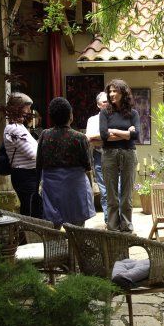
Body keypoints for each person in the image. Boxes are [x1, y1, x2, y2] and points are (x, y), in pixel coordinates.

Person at [37, 97, 95, 228]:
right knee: (77, 229)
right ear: (70, 116)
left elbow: (39, 163)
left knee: (53, 227)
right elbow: (87, 165)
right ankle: (75, 248)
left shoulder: (44, 135)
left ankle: (55, 249)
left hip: (51, 188)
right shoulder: (79, 137)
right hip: (75, 187)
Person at [99, 79, 140, 232]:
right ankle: (112, 226)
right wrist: (125, 133)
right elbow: (104, 135)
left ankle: (126, 225)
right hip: (109, 154)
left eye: (115, 91)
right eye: (110, 91)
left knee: (127, 194)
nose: (111, 94)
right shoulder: (105, 112)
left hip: (129, 153)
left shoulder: (133, 113)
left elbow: (136, 134)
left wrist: (114, 131)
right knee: (111, 194)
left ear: (123, 93)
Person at [3, 92, 41, 218]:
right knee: (29, 211)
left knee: (34, 209)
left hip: (30, 174)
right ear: (18, 108)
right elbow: (32, 153)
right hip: (23, 175)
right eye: (27, 107)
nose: (29, 110)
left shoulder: (20, 127)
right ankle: (25, 237)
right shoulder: (13, 129)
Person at [86, 91, 109, 221]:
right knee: (104, 191)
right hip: (99, 156)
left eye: (109, 102)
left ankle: (117, 219)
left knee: (117, 189)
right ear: (98, 105)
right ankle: (108, 220)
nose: (107, 104)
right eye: (105, 102)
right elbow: (89, 138)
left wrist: (101, 136)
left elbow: (117, 138)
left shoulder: (115, 118)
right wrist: (107, 136)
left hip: (114, 155)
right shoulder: (93, 120)